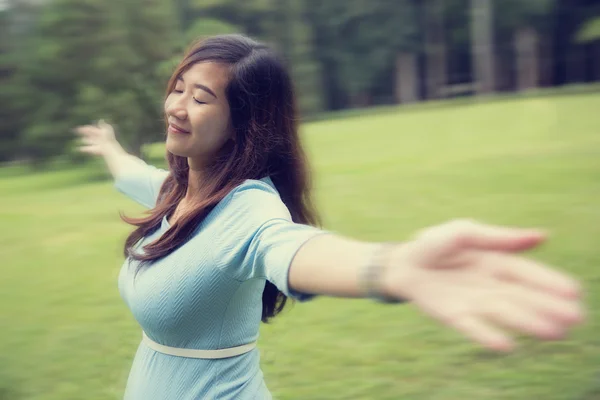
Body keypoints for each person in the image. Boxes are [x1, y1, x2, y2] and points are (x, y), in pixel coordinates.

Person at [75, 34, 585, 400]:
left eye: (201, 97)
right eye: (179, 87)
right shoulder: (177, 190)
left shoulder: (248, 210)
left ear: (244, 124)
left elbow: (291, 247)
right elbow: (131, 173)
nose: (177, 106)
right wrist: (109, 147)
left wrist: (392, 267)